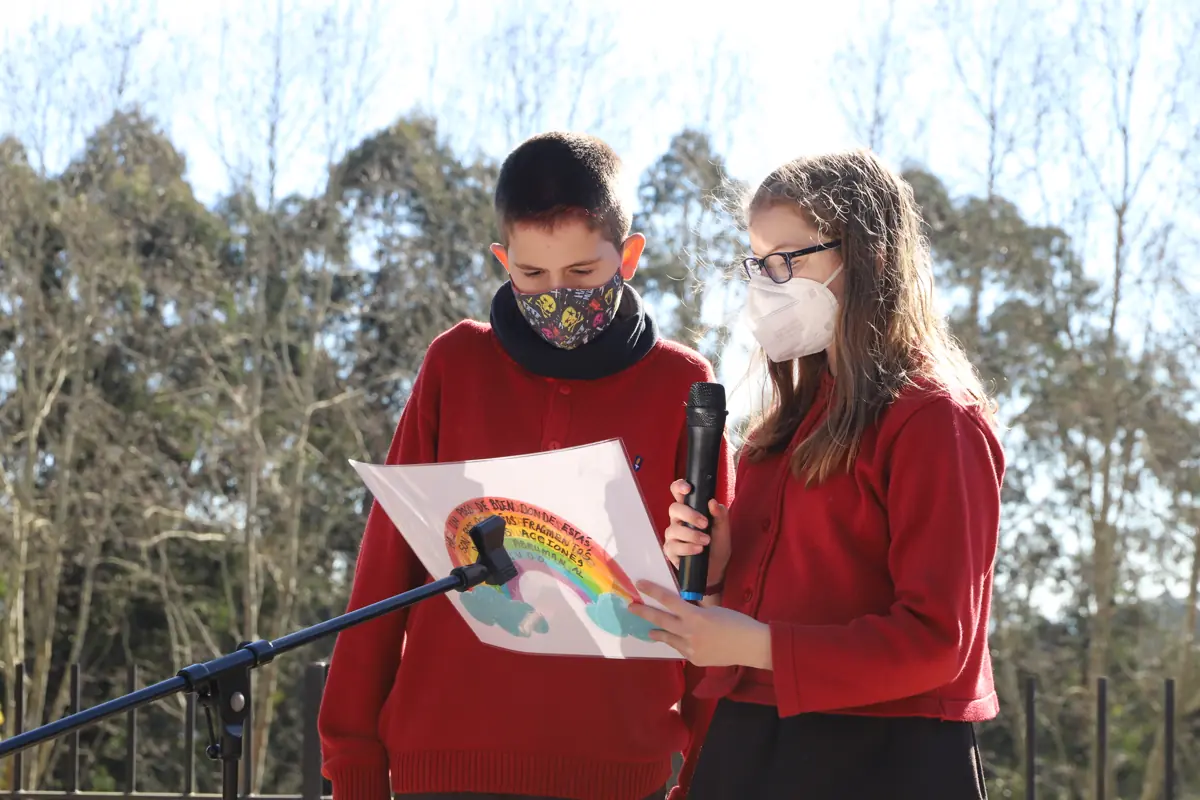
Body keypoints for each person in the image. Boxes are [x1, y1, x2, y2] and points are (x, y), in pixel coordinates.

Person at [317, 131, 733, 800]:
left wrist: (705, 778)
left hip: (621, 770)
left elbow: (713, 600)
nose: (557, 296)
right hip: (443, 763)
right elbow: (383, 573)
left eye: (582, 274)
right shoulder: (455, 365)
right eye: (532, 276)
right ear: (502, 259)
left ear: (629, 257)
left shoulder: (684, 385)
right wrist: (353, 766)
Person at [630, 149, 1004, 799]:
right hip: (750, 746)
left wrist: (759, 645)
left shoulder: (935, 419)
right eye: (757, 264)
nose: (766, 284)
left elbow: (938, 641)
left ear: (867, 258)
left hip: (882, 759)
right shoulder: (774, 434)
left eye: (787, 261)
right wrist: (717, 574)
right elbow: (752, 626)